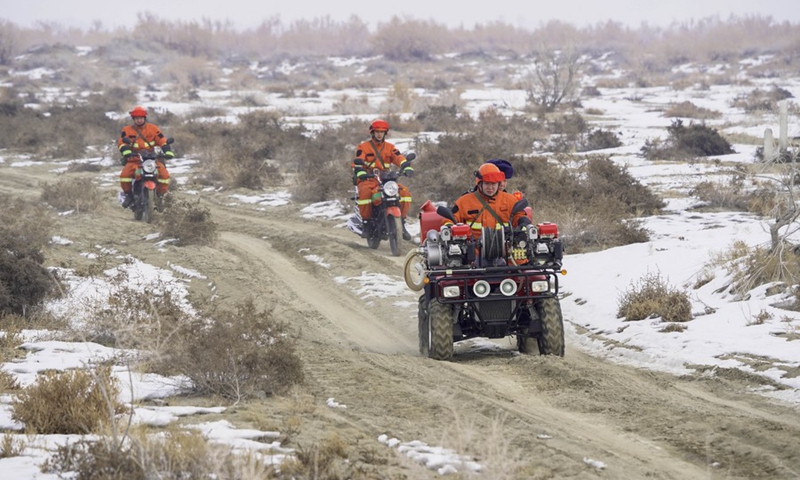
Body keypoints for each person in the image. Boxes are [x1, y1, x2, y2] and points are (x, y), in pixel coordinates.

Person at [352, 119, 414, 240]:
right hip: (368, 179)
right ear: (372, 132)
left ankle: (401, 222)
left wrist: (406, 167)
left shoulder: (390, 147)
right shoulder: (363, 147)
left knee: (404, 193)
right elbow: (357, 163)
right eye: (377, 131)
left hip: (386, 179)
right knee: (365, 193)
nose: (379, 134)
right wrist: (361, 173)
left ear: (385, 133)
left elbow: (398, 157)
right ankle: (366, 224)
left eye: (382, 132)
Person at [444, 162, 530, 241]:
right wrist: (449, 226)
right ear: (480, 183)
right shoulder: (464, 201)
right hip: (472, 252)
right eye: (487, 183)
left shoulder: (510, 200)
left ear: (499, 184)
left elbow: (519, 215)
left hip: (505, 250)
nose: (490, 188)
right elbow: (451, 218)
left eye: (493, 184)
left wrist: (524, 223)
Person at [117, 105, 173, 208]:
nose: (139, 120)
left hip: (152, 159)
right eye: (137, 118)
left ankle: (160, 197)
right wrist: (126, 152)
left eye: (141, 118)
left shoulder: (153, 128)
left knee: (164, 176)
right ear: (133, 119)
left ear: (145, 118)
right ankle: (129, 195)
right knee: (125, 176)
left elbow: (162, 140)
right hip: (135, 160)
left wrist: (167, 151)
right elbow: (121, 142)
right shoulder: (127, 130)